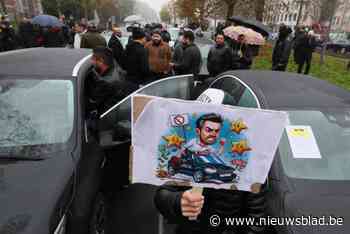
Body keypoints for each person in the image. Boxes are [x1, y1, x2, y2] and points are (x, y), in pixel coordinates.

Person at [154, 113, 267, 234]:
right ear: (198, 130)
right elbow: (162, 195)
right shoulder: (190, 148)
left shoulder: (249, 164)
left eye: (216, 130)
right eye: (208, 129)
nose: (213, 133)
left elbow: (256, 218)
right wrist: (178, 201)